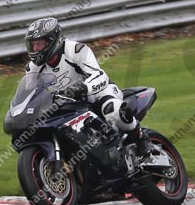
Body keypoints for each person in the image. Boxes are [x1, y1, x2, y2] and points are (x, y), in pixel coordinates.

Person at [25, 17, 152, 156]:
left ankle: (141, 138)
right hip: (67, 104)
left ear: (52, 41)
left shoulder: (76, 50)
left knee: (113, 109)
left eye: (39, 44)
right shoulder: (32, 68)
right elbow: (30, 94)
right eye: (33, 45)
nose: (35, 49)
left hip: (99, 93)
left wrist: (83, 88)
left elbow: (100, 75)